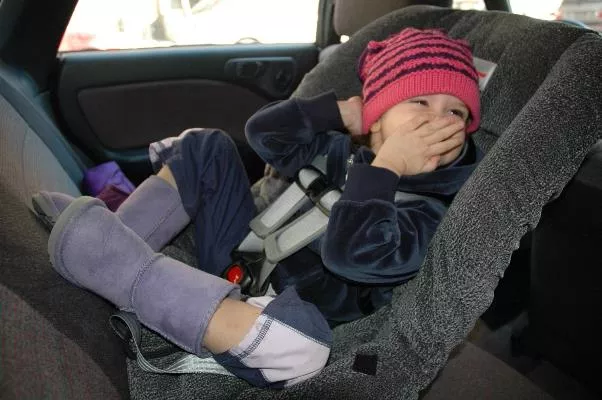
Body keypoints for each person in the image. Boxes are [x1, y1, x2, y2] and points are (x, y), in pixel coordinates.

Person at [34, 27, 482, 388]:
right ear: (377, 115)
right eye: (418, 101)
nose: (436, 121)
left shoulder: (429, 210)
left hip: (275, 311)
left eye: (456, 113)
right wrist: (340, 114)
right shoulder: (342, 149)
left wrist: (386, 170)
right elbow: (263, 134)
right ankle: (115, 234)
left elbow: (352, 255)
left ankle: (121, 269)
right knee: (206, 145)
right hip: (239, 253)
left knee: (303, 348)